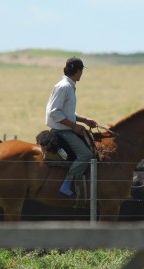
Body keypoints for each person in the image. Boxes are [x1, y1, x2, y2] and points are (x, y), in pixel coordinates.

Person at [45, 57, 97, 196]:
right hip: (62, 131)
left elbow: (66, 111)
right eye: (81, 71)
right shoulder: (64, 87)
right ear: (78, 71)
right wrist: (74, 126)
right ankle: (66, 184)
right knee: (86, 154)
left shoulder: (68, 85)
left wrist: (84, 120)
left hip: (66, 128)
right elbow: (54, 112)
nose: (81, 74)